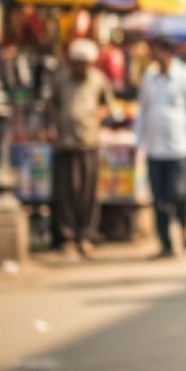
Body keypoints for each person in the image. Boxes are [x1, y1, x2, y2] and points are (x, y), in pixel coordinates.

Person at [136, 36, 186, 259]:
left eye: (155, 50)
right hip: (154, 147)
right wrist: (138, 142)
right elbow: (143, 111)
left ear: (166, 51)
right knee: (158, 198)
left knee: (178, 193)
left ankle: (185, 228)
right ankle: (166, 244)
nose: (152, 55)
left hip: (179, 147)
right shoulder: (149, 77)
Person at [47, 39, 114, 260]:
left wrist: (96, 117)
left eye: (85, 64)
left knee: (87, 192)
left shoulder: (97, 80)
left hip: (88, 142)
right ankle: (67, 237)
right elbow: (51, 105)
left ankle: (86, 235)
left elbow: (107, 105)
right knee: (65, 192)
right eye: (77, 63)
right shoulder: (61, 79)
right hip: (65, 142)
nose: (81, 68)